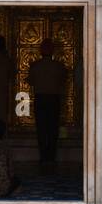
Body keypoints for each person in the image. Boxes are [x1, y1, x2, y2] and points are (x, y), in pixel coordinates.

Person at [28, 38, 68, 166]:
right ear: (52, 51)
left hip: (40, 99)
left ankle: (43, 157)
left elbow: (30, 81)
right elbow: (63, 80)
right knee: (52, 128)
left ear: (41, 51)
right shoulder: (59, 66)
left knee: (41, 128)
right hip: (53, 99)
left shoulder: (35, 66)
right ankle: (51, 157)